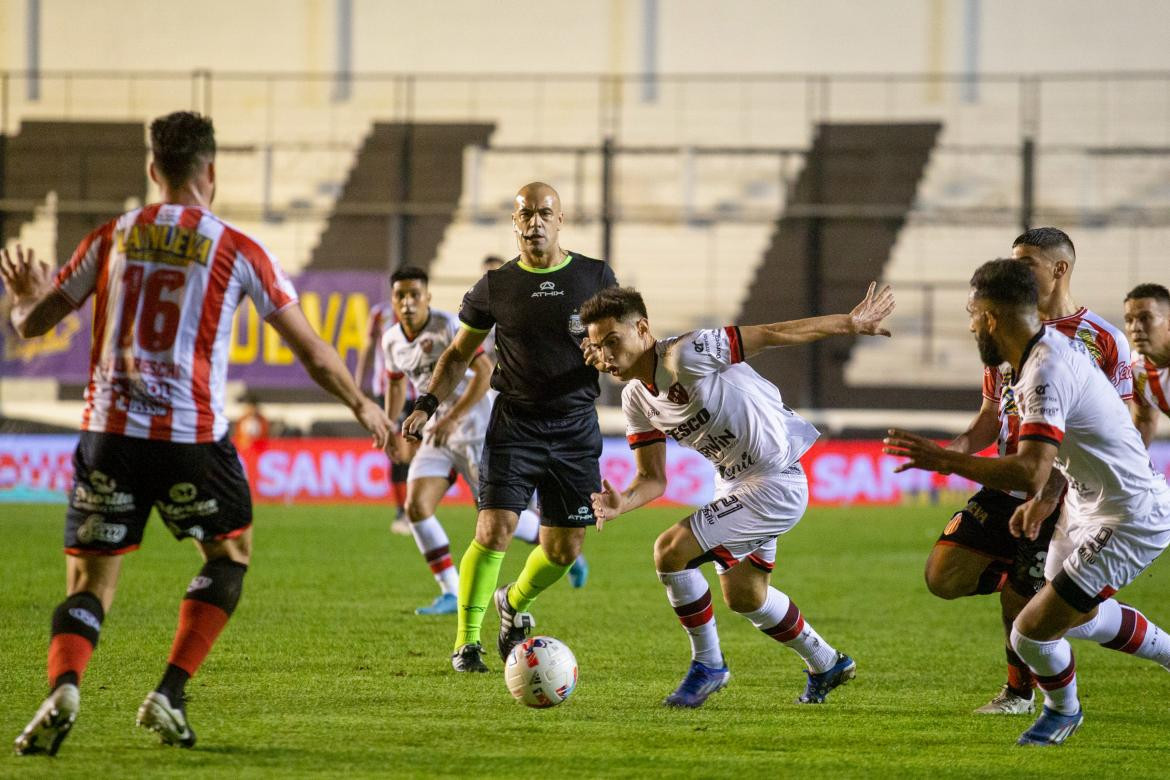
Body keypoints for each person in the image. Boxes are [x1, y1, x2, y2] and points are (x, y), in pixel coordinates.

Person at [3, 111, 390, 757]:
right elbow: (315, 353)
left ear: (154, 170)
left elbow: (31, 325)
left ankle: (66, 684)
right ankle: (169, 693)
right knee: (228, 557)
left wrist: (25, 297)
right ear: (211, 171)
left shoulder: (109, 238)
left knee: (89, 583)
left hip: (109, 435)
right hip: (191, 440)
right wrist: (363, 407)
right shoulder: (238, 249)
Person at [885, 258, 1170, 746]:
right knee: (1076, 620)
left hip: (1129, 516)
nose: (970, 324)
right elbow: (1079, 444)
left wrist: (945, 461)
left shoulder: (1046, 369)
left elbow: (1027, 469)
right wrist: (1047, 500)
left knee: (1029, 631)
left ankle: (1063, 711)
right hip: (1083, 502)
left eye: (972, 313)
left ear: (991, 316)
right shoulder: (1036, 357)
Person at [580, 282, 895, 707]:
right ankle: (827, 662)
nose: (605, 356)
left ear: (642, 328)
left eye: (613, 341)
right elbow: (652, 479)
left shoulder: (687, 354)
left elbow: (775, 333)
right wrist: (622, 503)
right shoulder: (637, 399)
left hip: (776, 481)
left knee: (670, 551)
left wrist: (849, 323)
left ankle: (709, 665)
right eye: (597, 347)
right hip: (734, 483)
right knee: (746, 596)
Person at [402, 182, 616, 672]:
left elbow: (621, 339)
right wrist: (426, 403)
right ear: (514, 222)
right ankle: (466, 644)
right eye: (526, 214)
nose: (535, 222)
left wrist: (612, 360)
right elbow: (459, 354)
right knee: (493, 528)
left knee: (562, 549)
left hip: (575, 427)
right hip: (515, 423)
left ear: (561, 220)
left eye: (545, 213)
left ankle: (512, 602)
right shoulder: (495, 287)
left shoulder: (595, 276)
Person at [924, 227, 1135, 716]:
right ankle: (1033, 583)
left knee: (1021, 600)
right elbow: (988, 416)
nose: (1016, 270)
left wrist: (1056, 490)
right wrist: (951, 450)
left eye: (1027, 262)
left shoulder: (1102, 339)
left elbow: (1123, 428)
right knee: (943, 575)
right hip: (1007, 478)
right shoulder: (1004, 329)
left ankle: (1020, 694)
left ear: (1059, 269)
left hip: (1059, 489)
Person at [380, 265, 494, 615]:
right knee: (416, 507)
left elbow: (485, 373)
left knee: (496, 517)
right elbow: (398, 383)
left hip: (474, 426)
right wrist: (389, 424)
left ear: (427, 297)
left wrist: (454, 417)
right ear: (393, 300)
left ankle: (558, 548)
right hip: (434, 430)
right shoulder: (391, 340)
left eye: (415, 294)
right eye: (401, 295)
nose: (409, 302)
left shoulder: (448, 327)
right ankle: (450, 590)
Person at [478, 252, 589, 588]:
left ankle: (560, 548)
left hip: (529, 417)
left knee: (499, 511)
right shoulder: (479, 318)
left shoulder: (528, 311)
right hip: (493, 414)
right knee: (493, 512)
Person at [354, 290, 412, 534]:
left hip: (418, 392)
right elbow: (368, 346)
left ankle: (416, 508)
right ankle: (403, 511)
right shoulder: (379, 314)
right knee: (398, 450)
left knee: (417, 451)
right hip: (387, 390)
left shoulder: (424, 316)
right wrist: (357, 384)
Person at [1124, 282, 1170, 446]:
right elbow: (1144, 421)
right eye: (1129, 320)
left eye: (1145, 318)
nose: (1135, 327)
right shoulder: (1135, 368)